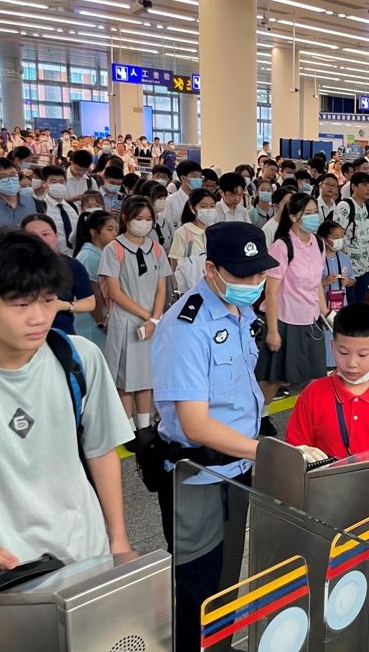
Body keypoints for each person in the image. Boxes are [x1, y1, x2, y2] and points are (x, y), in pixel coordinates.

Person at [0, 230, 132, 572]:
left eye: (48, 300)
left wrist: (118, 540)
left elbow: (100, 451)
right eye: (21, 304)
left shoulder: (79, 358)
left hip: (89, 553)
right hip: (6, 570)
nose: (39, 317)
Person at [152, 222, 277, 651]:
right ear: (211, 269)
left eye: (259, 274)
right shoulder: (187, 326)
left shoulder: (239, 314)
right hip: (199, 476)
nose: (254, 283)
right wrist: (267, 452)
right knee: (199, 589)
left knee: (225, 583)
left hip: (237, 468)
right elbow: (196, 424)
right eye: (243, 275)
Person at [287, 303, 369, 461]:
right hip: (326, 477)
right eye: (343, 352)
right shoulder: (313, 394)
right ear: (332, 346)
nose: (351, 363)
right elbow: (293, 447)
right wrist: (299, 453)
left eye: (362, 355)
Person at [99, 197, 171, 436]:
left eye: (148, 219)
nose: (144, 223)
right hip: (126, 320)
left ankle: (144, 425)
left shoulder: (156, 248)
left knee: (146, 375)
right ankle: (127, 427)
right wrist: (147, 316)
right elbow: (115, 292)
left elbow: (162, 288)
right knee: (125, 377)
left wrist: (155, 319)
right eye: (139, 218)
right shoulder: (114, 249)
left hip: (152, 322)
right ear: (125, 218)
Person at [257, 193, 329, 409]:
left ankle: (308, 416)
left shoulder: (318, 243)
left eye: (315, 212)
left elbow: (316, 283)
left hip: (311, 319)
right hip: (285, 320)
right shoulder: (282, 246)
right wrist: (272, 331)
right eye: (307, 213)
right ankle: (258, 415)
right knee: (275, 377)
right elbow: (271, 292)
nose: (313, 217)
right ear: (293, 217)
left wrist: (325, 313)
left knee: (316, 373)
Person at [21, 214, 96, 336]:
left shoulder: (72, 265)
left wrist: (63, 305)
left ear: (56, 236)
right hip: (23, 334)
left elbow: (89, 302)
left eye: (46, 234)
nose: (40, 239)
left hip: (62, 334)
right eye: (33, 236)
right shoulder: (12, 267)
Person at [73, 209, 117, 344]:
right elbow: (93, 294)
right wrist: (100, 322)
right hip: (92, 320)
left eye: (116, 229)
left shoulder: (101, 253)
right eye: (109, 229)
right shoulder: (89, 256)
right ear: (94, 232)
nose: (114, 234)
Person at [333, 172, 369, 304]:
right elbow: (337, 236)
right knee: (349, 305)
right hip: (348, 269)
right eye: (364, 185)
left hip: (363, 269)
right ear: (354, 187)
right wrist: (342, 265)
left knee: (359, 304)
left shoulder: (368, 209)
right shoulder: (345, 206)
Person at [319, 220, 355, 368]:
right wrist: (325, 282)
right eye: (335, 237)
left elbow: (353, 279)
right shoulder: (317, 259)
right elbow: (309, 285)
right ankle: (325, 364)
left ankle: (338, 363)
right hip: (323, 307)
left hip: (341, 305)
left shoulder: (344, 258)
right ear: (324, 238)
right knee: (325, 335)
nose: (339, 240)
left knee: (339, 335)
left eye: (341, 236)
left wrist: (348, 281)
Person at [169, 189, 217, 274]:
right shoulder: (183, 232)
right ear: (192, 208)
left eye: (212, 206)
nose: (209, 210)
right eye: (203, 206)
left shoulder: (215, 230)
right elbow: (176, 264)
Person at [40, 165, 80, 255]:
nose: (58, 185)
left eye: (61, 182)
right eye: (53, 182)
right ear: (45, 183)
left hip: (75, 256)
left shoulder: (73, 207)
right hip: (53, 256)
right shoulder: (41, 207)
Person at [164, 160, 204, 231]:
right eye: (195, 176)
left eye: (200, 177)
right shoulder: (171, 201)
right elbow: (167, 227)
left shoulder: (204, 199)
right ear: (183, 178)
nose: (198, 180)